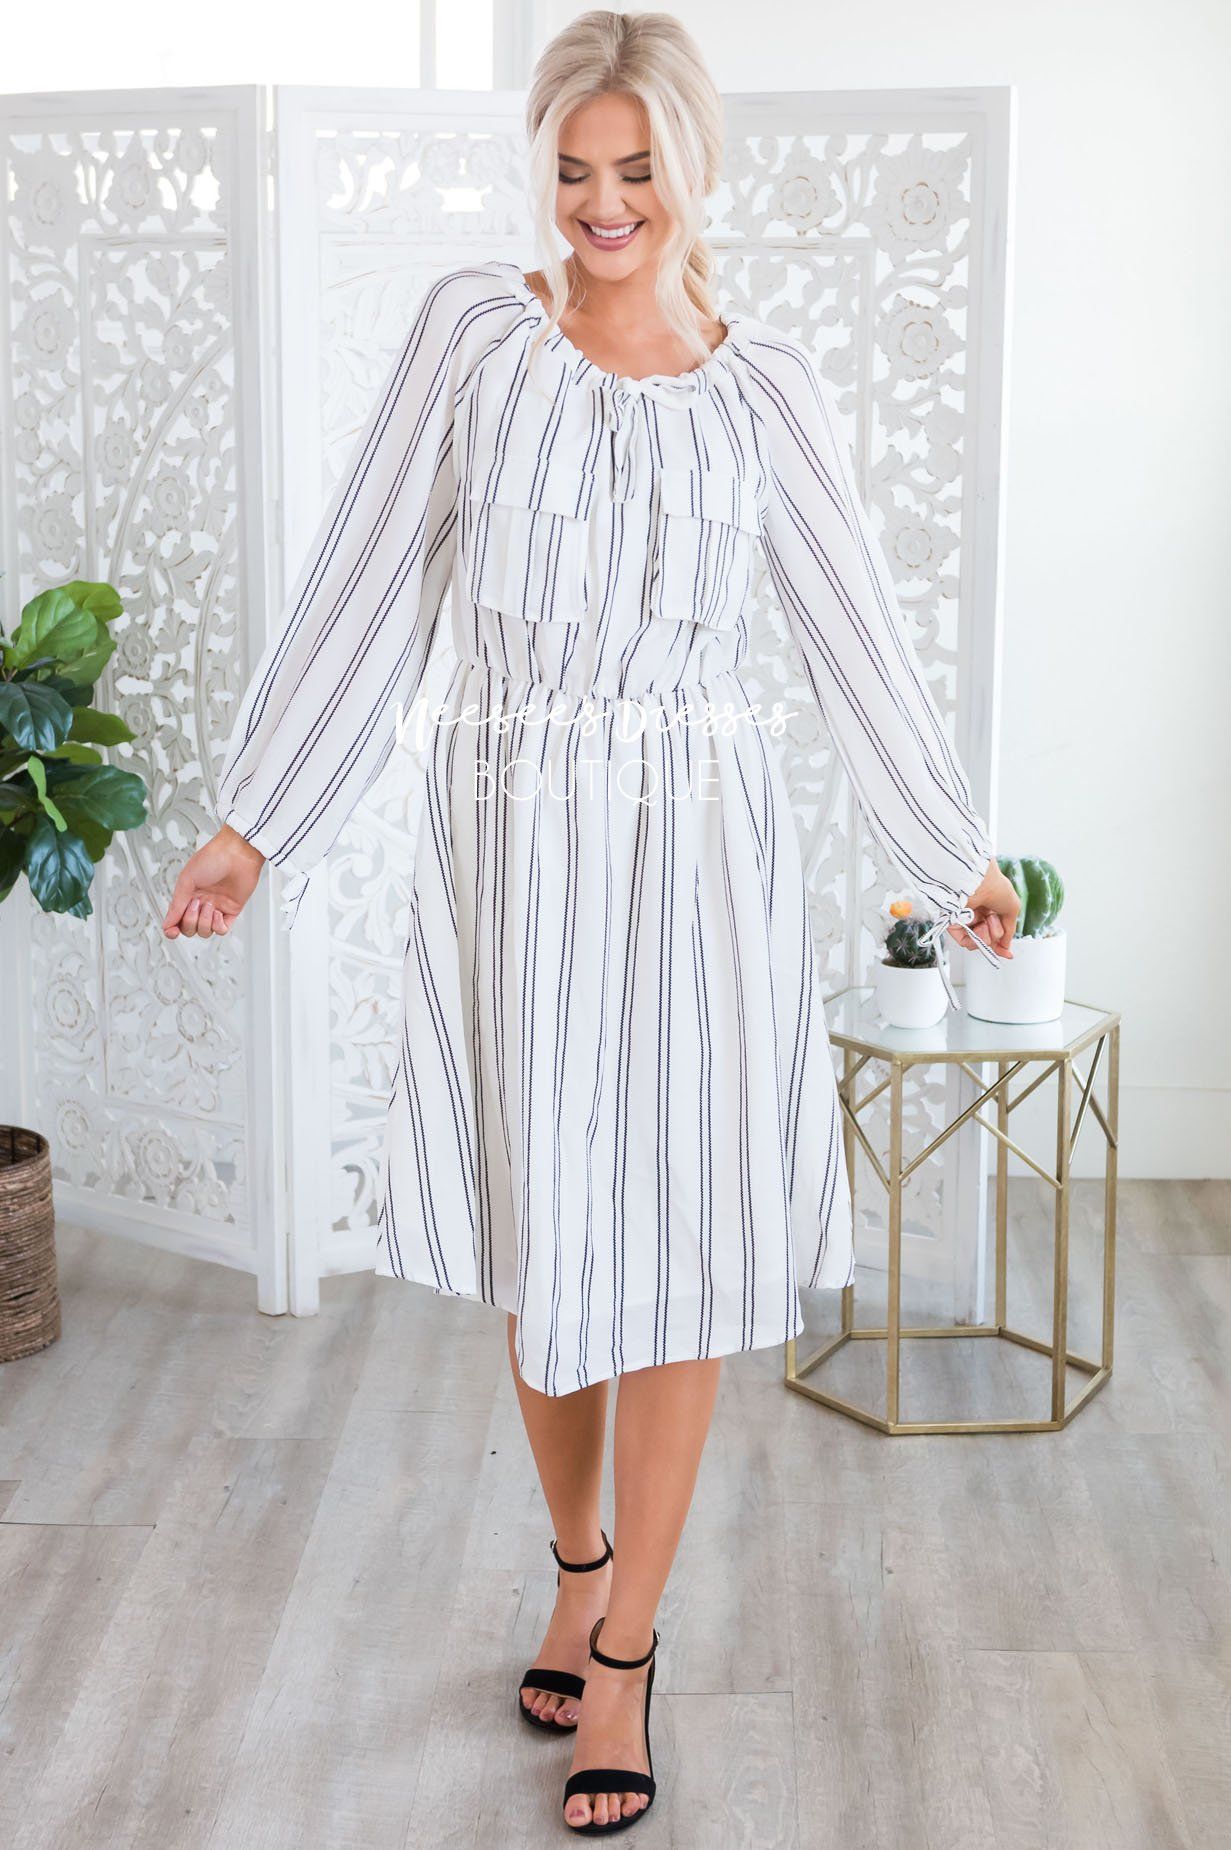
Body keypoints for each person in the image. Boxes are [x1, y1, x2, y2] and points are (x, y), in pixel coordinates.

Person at [162, 10, 1019, 1834]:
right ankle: (574, 1562)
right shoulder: (479, 336)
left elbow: (857, 632)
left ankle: (628, 1648)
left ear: (694, 170)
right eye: (571, 171)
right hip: (516, 845)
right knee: (551, 1239)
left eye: (636, 171)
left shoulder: (767, 392)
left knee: (684, 1240)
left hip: (703, 857)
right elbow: (368, 577)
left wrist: (956, 853)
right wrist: (255, 822)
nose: (602, 205)